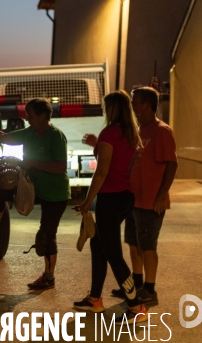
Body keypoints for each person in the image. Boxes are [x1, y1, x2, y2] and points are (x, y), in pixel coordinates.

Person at [73, 90, 147, 325]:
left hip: (110, 198)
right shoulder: (130, 133)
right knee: (99, 245)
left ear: (112, 108)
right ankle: (95, 298)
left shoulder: (109, 132)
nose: (105, 111)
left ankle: (136, 306)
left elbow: (102, 171)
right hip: (125, 197)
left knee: (113, 254)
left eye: (106, 107)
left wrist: (86, 202)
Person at [0, 98, 70, 290]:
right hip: (35, 189)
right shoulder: (29, 133)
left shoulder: (56, 136)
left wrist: (33, 162)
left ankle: (49, 277)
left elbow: (60, 167)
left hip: (56, 193)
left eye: (31, 115)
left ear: (43, 115)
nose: (27, 119)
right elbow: (5, 137)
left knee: (46, 236)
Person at [111, 87, 177, 306]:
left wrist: (161, 194)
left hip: (150, 201)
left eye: (136, 102)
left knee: (148, 245)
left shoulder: (161, 131)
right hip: (134, 199)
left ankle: (150, 289)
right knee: (133, 243)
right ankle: (136, 284)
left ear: (148, 105)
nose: (132, 106)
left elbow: (171, 164)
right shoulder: (138, 130)